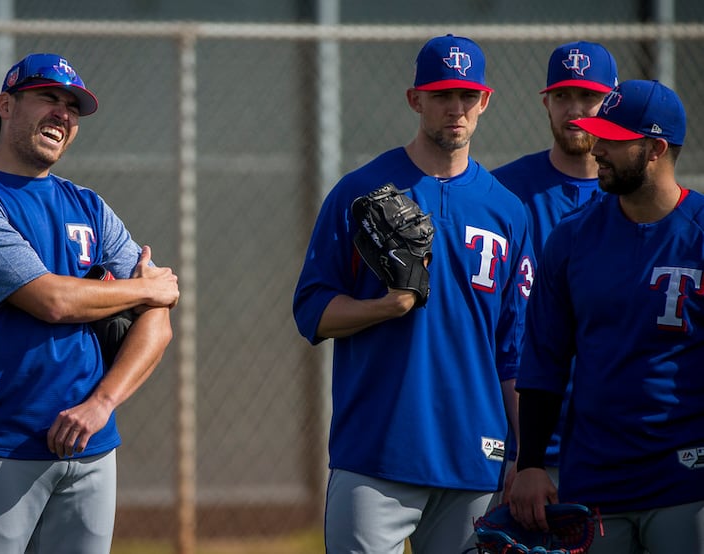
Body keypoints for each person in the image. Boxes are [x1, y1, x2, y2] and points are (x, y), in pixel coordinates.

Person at [0, 52, 180, 554]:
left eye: (72, 107)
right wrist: (146, 288)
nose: (62, 113)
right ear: (5, 106)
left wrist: (102, 403)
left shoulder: (89, 205)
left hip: (90, 445)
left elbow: (159, 320)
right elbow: (51, 300)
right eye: (47, 98)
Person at [292, 34, 535, 553]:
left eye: (468, 95)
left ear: (485, 101)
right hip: (377, 449)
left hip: (474, 455)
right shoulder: (361, 192)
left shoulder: (507, 211)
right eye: (442, 94)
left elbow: (515, 350)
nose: (456, 108)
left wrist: (525, 453)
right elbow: (312, 310)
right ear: (415, 99)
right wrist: (385, 307)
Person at [509, 79, 704, 553]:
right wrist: (530, 462)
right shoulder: (573, 238)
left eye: (612, 139)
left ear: (655, 148)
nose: (596, 147)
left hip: (686, 479)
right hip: (595, 480)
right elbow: (544, 358)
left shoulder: (699, 232)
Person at [491, 40, 618, 490]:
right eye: (563, 96)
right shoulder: (503, 192)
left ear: (612, 101)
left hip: (612, 436)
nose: (575, 109)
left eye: (589, 96)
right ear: (546, 101)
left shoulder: (635, 197)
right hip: (516, 436)